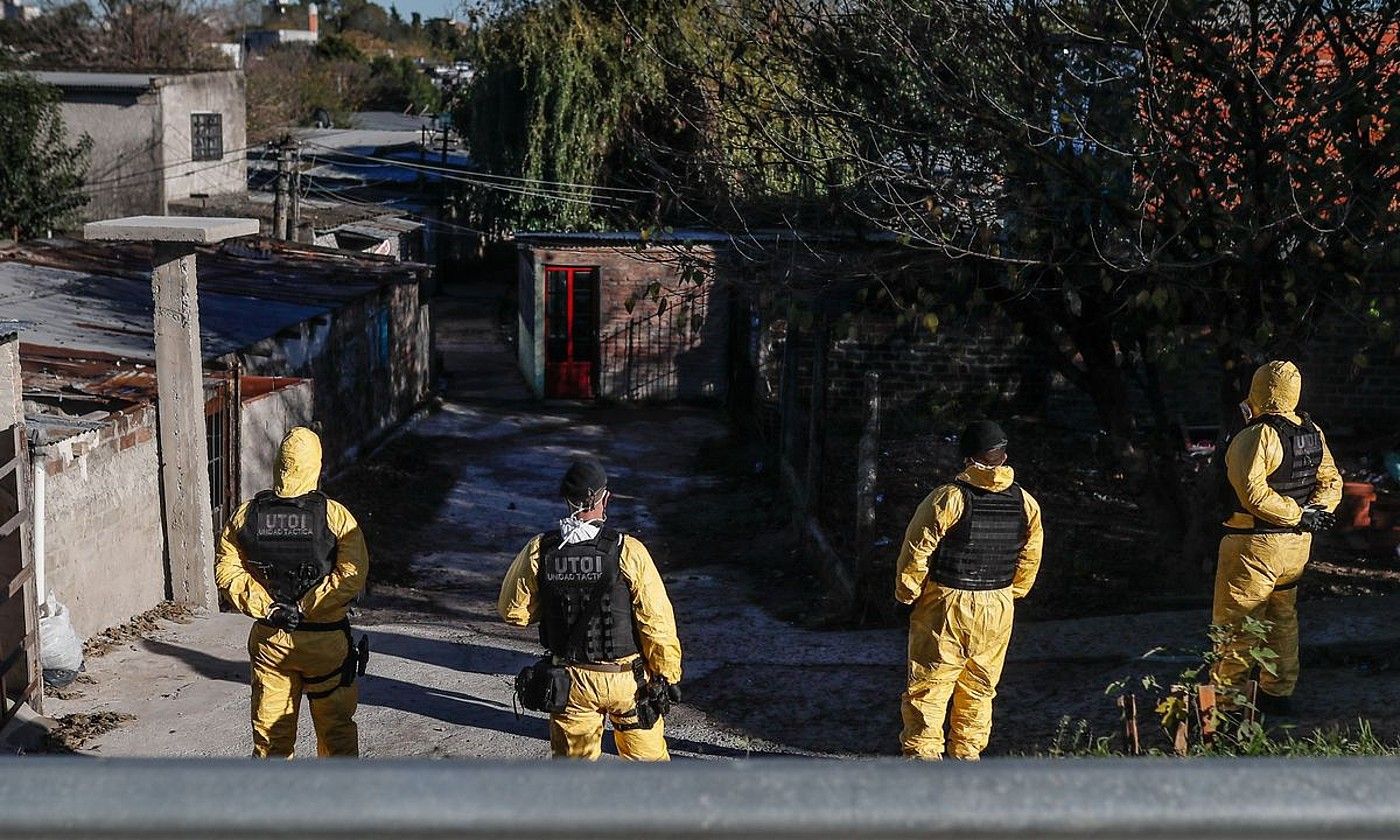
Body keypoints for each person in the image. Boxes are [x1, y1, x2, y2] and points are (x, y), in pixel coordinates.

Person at [498, 456, 682, 760]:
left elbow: (513, 612)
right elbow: (657, 623)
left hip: (571, 682)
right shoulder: (629, 550)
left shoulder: (540, 549)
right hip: (629, 683)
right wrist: (668, 675)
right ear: (604, 498)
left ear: (566, 500)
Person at [894, 420, 1044, 760]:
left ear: (966, 458)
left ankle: (924, 764)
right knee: (979, 687)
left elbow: (916, 550)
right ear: (1004, 457)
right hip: (1000, 605)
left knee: (930, 687)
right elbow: (1029, 557)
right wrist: (1011, 593)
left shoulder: (947, 499)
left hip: (946, 604)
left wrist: (906, 596)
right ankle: (966, 759)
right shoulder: (1025, 502)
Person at [215, 427, 369, 758]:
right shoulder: (336, 516)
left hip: (271, 639)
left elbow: (227, 572)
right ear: (316, 464)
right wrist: (307, 606)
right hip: (325, 642)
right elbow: (351, 576)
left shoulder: (245, 515)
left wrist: (269, 607)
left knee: (271, 736)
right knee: (337, 731)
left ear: (279, 465)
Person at [1211, 361, 1341, 713]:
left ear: (1258, 389)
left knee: (1237, 625)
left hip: (1254, 545)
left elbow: (1252, 494)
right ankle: (1278, 693)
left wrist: (1298, 514)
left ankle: (1226, 705)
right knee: (1282, 619)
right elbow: (1331, 482)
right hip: (1296, 547)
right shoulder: (1312, 431)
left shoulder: (1256, 436)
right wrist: (1317, 513)